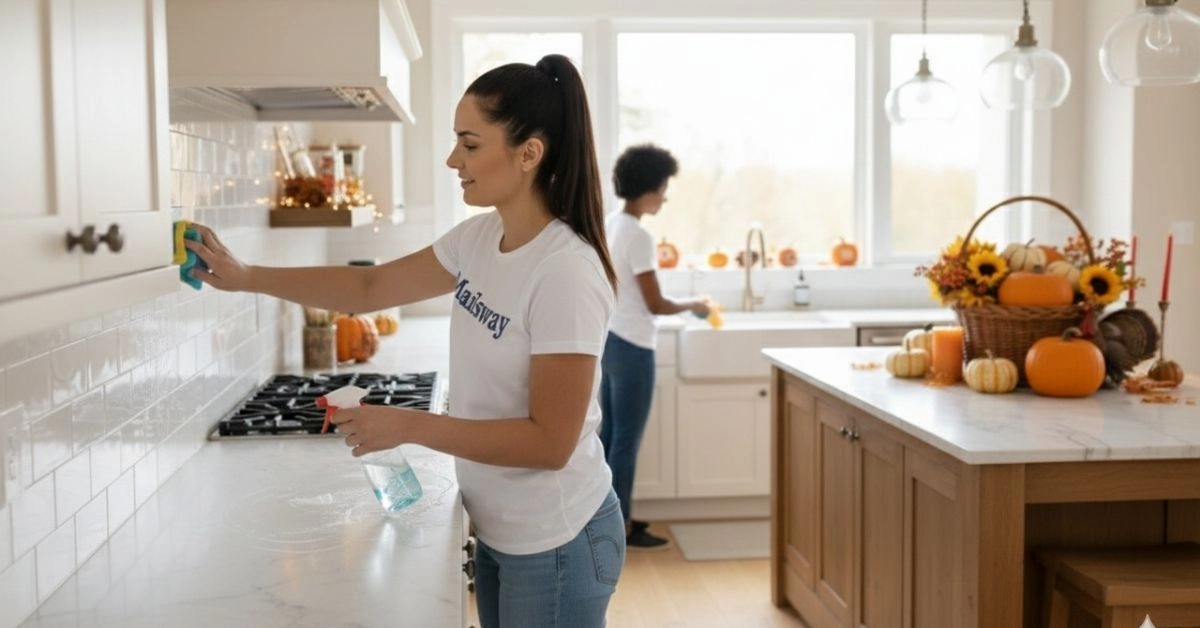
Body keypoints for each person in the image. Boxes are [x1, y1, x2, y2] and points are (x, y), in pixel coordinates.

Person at [185, 54, 624, 628]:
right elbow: (368, 286)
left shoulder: (565, 270)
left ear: (529, 154)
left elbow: (551, 444)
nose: (452, 160)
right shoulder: (480, 237)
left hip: (558, 540)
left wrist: (408, 425)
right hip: (502, 529)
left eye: (469, 145)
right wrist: (247, 277)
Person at [601, 144, 709, 550]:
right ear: (648, 188)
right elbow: (656, 303)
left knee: (610, 437)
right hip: (632, 348)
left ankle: (609, 520)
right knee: (626, 440)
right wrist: (694, 304)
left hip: (610, 340)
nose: (665, 195)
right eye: (663, 187)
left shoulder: (613, 224)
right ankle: (622, 527)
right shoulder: (640, 235)